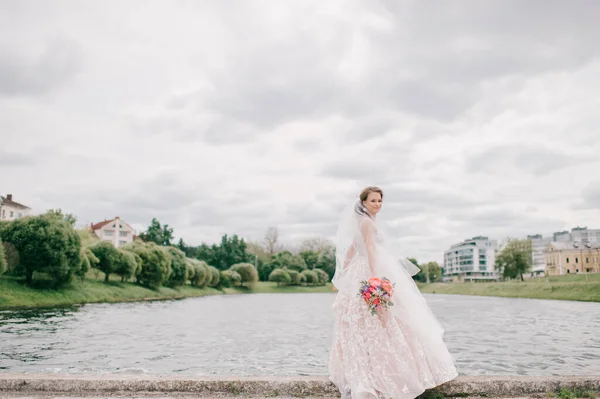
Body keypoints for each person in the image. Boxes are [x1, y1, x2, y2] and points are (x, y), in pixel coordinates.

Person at [328, 186, 458, 399]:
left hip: (357, 272)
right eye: (373, 201)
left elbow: (352, 248)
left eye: (380, 201)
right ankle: (381, 373)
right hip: (369, 270)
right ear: (363, 203)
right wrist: (376, 278)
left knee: (363, 323)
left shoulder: (361, 222)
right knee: (379, 321)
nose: (378, 204)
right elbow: (369, 249)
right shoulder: (367, 223)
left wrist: (344, 273)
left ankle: (367, 369)